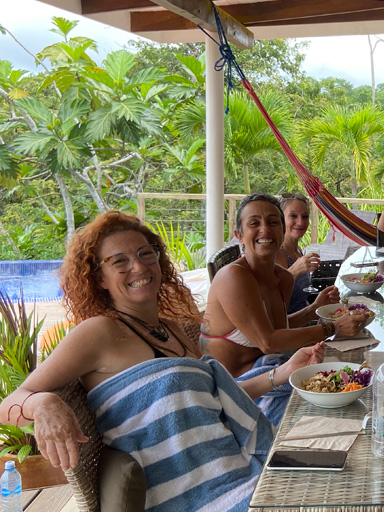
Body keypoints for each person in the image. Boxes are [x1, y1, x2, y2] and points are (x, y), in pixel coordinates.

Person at [0, 211, 326, 511]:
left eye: (146, 254)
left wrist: (285, 372)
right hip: (195, 498)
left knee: (341, 457)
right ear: (99, 277)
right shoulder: (99, 332)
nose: (139, 267)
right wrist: (43, 404)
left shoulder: (172, 329)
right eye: (119, 261)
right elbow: (9, 404)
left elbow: (216, 398)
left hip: (240, 469)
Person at [202, 194, 366, 378]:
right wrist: (333, 327)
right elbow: (268, 342)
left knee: (357, 367)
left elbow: (279, 329)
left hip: (274, 369)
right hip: (231, 384)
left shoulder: (283, 277)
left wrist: (314, 309)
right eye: (254, 223)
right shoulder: (232, 276)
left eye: (273, 222)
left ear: (282, 231)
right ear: (239, 236)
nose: (265, 229)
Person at [274, 192, 318, 313]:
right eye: (293, 216)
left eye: (305, 216)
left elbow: (301, 300)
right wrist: (295, 270)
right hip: (289, 323)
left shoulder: (298, 250)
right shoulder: (277, 253)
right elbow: (272, 298)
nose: (300, 222)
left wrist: (319, 306)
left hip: (306, 317)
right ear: (281, 218)